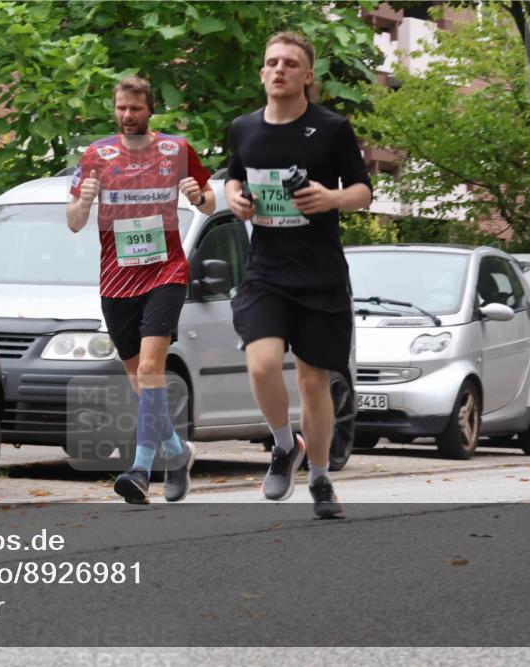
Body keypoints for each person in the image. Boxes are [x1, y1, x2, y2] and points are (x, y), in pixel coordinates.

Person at [223, 32, 373, 519]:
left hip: (321, 273)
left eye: (290, 63)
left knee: (313, 383)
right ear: (262, 73)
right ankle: (286, 444)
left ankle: (323, 478)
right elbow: (232, 176)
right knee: (263, 363)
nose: (279, 69)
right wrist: (233, 199)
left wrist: (330, 198)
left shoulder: (331, 128)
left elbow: (362, 191)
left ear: (307, 76)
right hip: (267, 271)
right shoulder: (243, 129)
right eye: (272, 62)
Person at [67, 76, 215, 504]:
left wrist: (197, 195)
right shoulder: (96, 155)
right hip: (116, 279)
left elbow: (210, 202)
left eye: (135, 108)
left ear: (150, 109)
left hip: (165, 272)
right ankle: (177, 452)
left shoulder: (175, 150)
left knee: (152, 369)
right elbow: (74, 222)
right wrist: (85, 200)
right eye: (120, 108)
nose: (127, 116)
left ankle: (138, 470)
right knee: (140, 380)